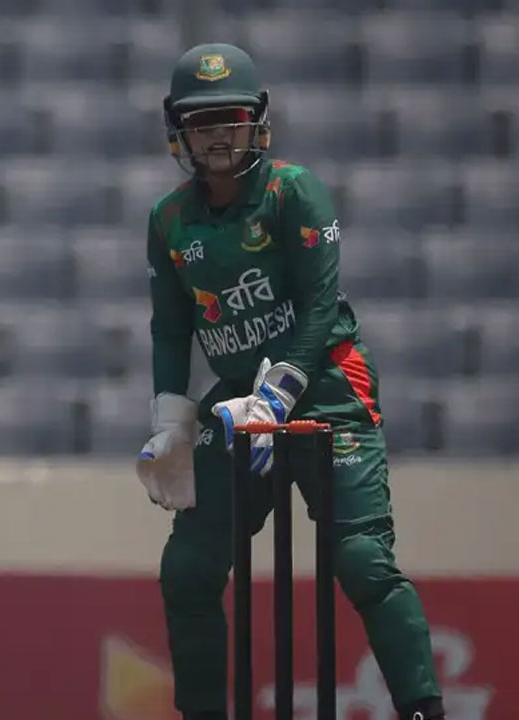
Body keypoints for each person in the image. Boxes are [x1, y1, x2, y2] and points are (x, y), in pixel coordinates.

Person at [135, 44, 446, 720]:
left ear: (258, 122)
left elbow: (319, 306)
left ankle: (424, 710)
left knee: (362, 561)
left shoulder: (293, 191)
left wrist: (277, 395)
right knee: (188, 569)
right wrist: (172, 423)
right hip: (236, 402)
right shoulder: (168, 220)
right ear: (178, 130)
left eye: (231, 118)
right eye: (202, 121)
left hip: (328, 388)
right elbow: (170, 329)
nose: (218, 136)